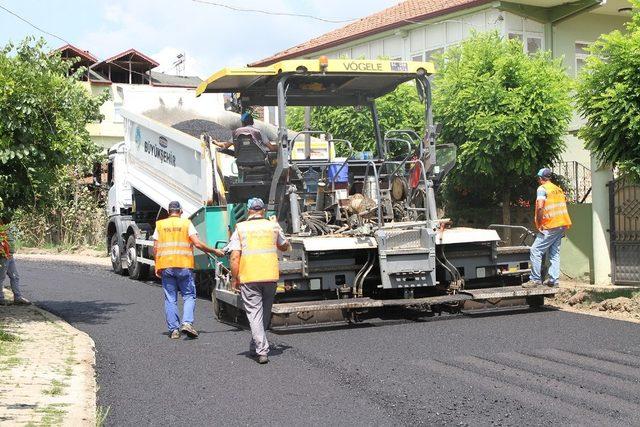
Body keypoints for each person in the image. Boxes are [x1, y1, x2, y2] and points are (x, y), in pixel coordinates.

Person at [228, 197, 289, 364]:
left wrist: (234, 278)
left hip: (250, 277)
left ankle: (262, 350)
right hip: (270, 276)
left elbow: (234, 257)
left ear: (249, 210)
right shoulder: (273, 225)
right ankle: (255, 347)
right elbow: (285, 246)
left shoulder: (240, 228)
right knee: (264, 313)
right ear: (263, 210)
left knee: (254, 314)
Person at [152, 201, 223, 339]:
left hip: (166, 266)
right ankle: (187, 323)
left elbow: (155, 247)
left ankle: (174, 330)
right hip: (184, 265)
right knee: (189, 295)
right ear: (181, 211)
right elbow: (196, 243)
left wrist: (157, 265)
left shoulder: (160, 225)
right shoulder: (187, 223)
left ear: (168, 211)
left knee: (170, 299)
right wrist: (214, 251)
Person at [523, 168, 572, 288]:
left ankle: (535, 279)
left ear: (540, 178)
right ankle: (553, 280)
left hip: (549, 225)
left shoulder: (542, 189)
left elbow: (540, 207)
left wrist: (539, 224)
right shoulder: (558, 189)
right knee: (554, 253)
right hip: (561, 224)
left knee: (535, 250)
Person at [211, 111, 277, 153]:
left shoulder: (236, 133)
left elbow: (225, 146)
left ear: (242, 123)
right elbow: (271, 148)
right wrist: (278, 147)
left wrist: (215, 142)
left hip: (242, 162)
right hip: (260, 162)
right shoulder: (259, 132)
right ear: (253, 122)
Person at [0, 216, 30, 305]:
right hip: (3, 256)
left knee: (15, 276)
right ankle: (0, 298)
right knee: (1, 278)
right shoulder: (1, 230)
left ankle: (18, 297)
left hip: (10, 256)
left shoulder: (5, 229)